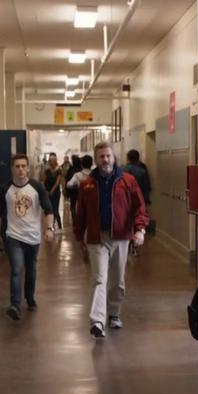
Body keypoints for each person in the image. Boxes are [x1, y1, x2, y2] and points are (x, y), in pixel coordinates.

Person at [74, 142, 149, 338]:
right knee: (100, 279)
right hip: (97, 237)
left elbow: (140, 207)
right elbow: (80, 212)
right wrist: (79, 236)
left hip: (121, 236)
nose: (105, 160)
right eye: (101, 156)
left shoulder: (127, 181)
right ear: (96, 159)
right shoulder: (87, 183)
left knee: (117, 281)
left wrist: (139, 229)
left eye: (108, 156)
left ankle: (114, 314)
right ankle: (97, 321)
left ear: (114, 157)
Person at [1, 154, 55, 320]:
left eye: (23, 166)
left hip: (32, 237)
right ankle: (15, 305)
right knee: (17, 269)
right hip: (13, 236)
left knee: (30, 269)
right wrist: (2, 235)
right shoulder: (5, 189)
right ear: (12, 169)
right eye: (17, 166)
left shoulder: (36, 187)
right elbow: (0, 213)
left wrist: (49, 228)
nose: (20, 170)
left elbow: (49, 210)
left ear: (28, 168)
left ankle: (30, 299)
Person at [42, 153, 63, 229]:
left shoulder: (59, 170)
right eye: (50, 160)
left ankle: (60, 226)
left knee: (55, 210)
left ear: (55, 161)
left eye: (53, 160)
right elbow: (43, 181)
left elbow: (57, 182)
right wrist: (45, 191)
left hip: (56, 192)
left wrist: (52, 191)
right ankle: (51, 225)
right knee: (49, 209)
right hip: (48, 192)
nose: (51, 162)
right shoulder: (47, 170)